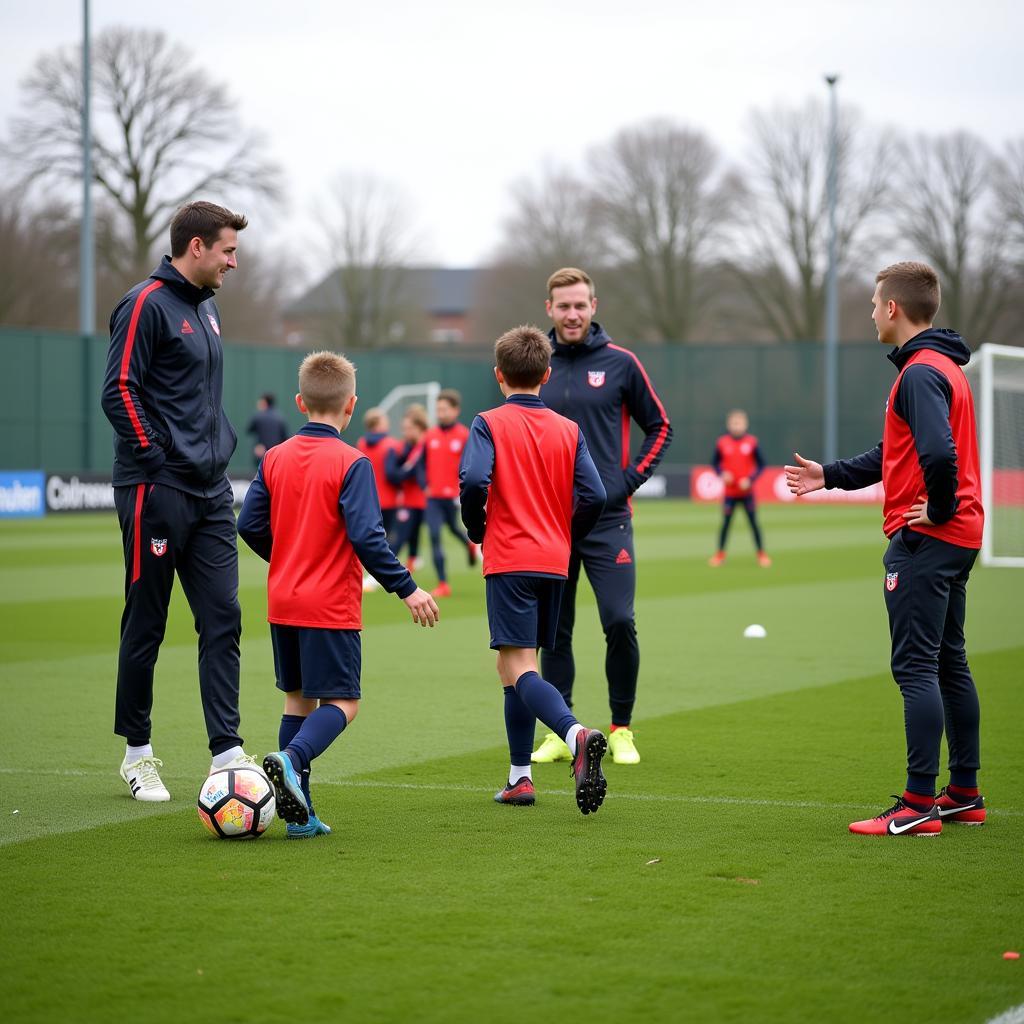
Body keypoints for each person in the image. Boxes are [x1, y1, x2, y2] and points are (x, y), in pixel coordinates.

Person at [785, 261, 985, 837]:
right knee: (950, 661)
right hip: (960, 536)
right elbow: (891, 456)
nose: (872, 312)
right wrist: (829, 474)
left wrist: (940, 508)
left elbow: (939, 455)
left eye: (875, 304)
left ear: (893, 308)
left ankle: (918, 803)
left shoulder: (920, 372)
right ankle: (964, 793)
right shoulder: (944, 367)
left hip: (928, 537)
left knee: (917, 667)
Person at [237, 351, 439, 837]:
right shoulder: (353, 462)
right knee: (343, 704)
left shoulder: (275, 458)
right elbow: (369, 538)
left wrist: (287, 559)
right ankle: (291, 759)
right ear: (352, 405)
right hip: (329, 605)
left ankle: (300, 817)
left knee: (297, 701)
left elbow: (247, 524)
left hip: (283, 600)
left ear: (300, 401)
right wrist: (407, 588)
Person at [101, 200, 259, 802]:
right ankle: (137, 754)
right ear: (196, 247)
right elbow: (119, 389)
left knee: (223, 617)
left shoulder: (209, 309)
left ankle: (226, 752)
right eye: (227, 250)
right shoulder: (144, 303)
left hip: (212, 492)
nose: (233, 262)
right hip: (156, 488)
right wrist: (157, 458)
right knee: (148, 620)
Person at [460, 325, 608, 812]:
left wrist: (477, 527)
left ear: (498, 374)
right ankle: (520, 777)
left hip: (510, 559)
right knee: (514, 668)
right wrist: (563, 532)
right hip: (554, 561)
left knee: (519, 664)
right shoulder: (569, 429)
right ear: (546, 374)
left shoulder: (488, 422)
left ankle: (575, 734)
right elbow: (596, 495)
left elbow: (475, 479)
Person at [533, 268, 672, 766]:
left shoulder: (621, 364)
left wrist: (625, 482)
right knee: (554, 629)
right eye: (563, 306)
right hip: (550, 523)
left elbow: (659, 427)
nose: (572, 314)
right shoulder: (535, 364)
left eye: (580, 305)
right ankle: (559, 729)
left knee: (618, 621)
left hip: (607, 522)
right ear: (548, 308)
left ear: (595, 307)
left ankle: (621, 728)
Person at [422, 388, 479, 598]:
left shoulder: (464, 435)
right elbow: (419, 464)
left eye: (445, 409)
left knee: (454, 527)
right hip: (433, 497)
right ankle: (443, 583)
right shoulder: (430, 435)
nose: (441, 413)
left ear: (455, 411)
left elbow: (471, 465)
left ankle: (469, 544)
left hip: (454, 497)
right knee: (435, 535)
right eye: (438, 409)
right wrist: (423, 484)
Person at [709, 409, 770, 567]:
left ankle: (761, 554)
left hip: (747, 493)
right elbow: (715, 464)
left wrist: (750, 479)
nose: (736, 426)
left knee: (753, 523)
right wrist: (722, 474)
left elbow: (762, 465)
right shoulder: (722, 442)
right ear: (729, 424)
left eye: (739, 423)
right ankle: (720, 554)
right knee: (726, 524)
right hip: (730, 493)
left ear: (745, 424)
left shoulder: (752, 442)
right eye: (734, 423)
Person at [356, 407, 402, 591]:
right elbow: (392, 474)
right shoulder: (391, 445)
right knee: (388, 539)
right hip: (389, 500)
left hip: (368, 499)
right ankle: (378, 575)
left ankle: (363, 574)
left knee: (368, 538)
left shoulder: (361, 443)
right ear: (379, 423)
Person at [387, 404, 429, 571]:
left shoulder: (423, 446)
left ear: (419, 428)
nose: (405, 432)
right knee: (405, 535)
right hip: (410, 500)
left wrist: (404, 471)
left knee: (404, 536)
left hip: (420, 500)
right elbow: (397, 474)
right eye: (404, 428)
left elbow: (404, 473)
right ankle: (397, 566)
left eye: (409, 428)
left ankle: (381, 573)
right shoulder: (407, 448)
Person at [246, 393, 290, 468]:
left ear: (264, 402)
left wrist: (258, 445)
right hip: (277, 454)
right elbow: (285, 437)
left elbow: (249, 430)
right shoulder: (280, 418)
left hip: (262, 452)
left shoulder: (258, 416)